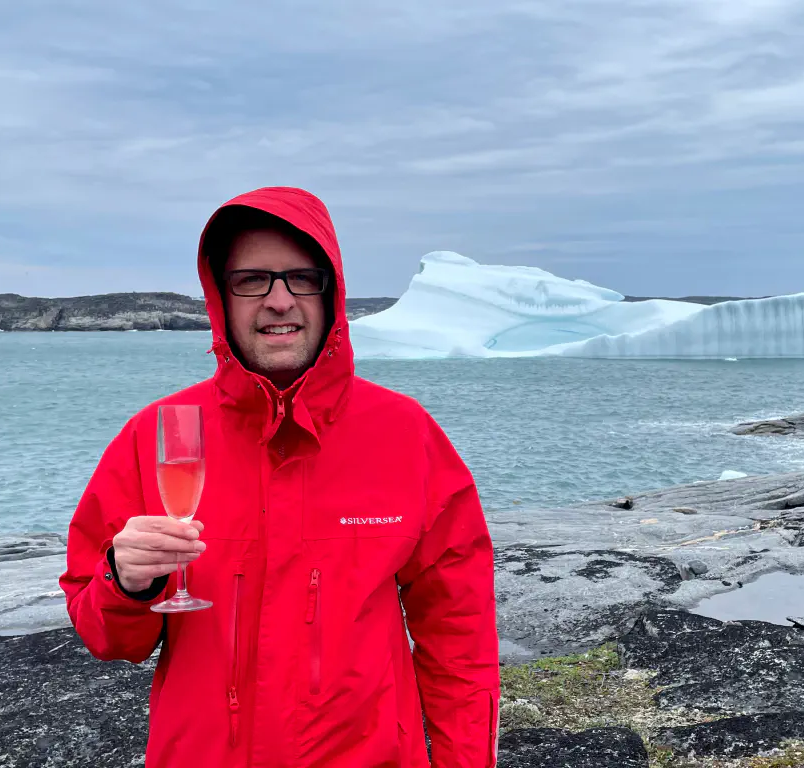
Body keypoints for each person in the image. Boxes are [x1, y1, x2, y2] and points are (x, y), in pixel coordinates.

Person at [60, 186, 501, 767]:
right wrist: (127, 581)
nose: (278, 301)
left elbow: (459, 640)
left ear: (331, 291)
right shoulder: (157, 435)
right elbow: (107, 638)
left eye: (301, 278)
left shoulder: (406, 434)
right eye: (252, 280)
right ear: (222, 296)